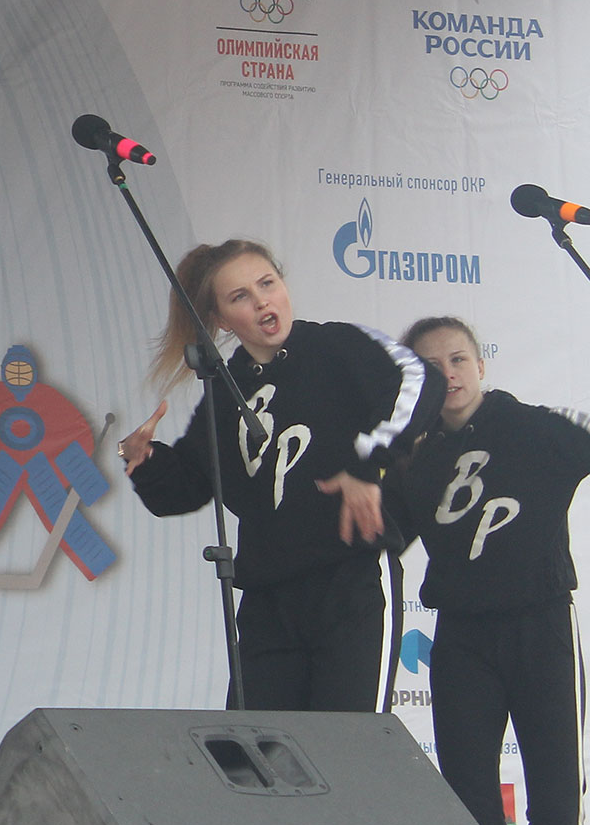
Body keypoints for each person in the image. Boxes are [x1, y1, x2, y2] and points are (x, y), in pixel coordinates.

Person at [120, 239, 442, 712]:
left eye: (267, 284)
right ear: (221, 320)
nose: (262, 301)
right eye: (240, 296)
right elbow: (190, 485)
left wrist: (364, 467)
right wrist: (146, 460)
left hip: (348, 582)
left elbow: (419, 382)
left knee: (349, 741)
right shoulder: (227, 389)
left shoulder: (336, 346)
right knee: (255, 743)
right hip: (268, 599)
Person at [384, 316, 588, 825]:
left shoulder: (536, 427)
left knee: (556, 805)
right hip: (463, 640)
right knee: (469, 800)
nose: (449, 374)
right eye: (431, 366)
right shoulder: (413, 457)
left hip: (541, 626)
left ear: (480, 365)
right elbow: (377, 536)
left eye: (458, 359)